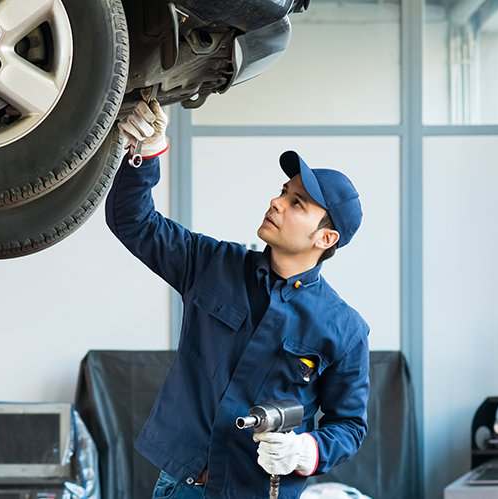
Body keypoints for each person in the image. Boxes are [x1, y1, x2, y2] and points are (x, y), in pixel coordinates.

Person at [108, 93, 371, 499]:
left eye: (296, 203)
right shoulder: (212, 263)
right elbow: (133, 222)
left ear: (325, 238)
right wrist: (146, 152)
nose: (276, 202)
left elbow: (350, 425)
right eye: (283, 191)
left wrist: (307, 450)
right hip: (182, 487)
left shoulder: (344, 329)